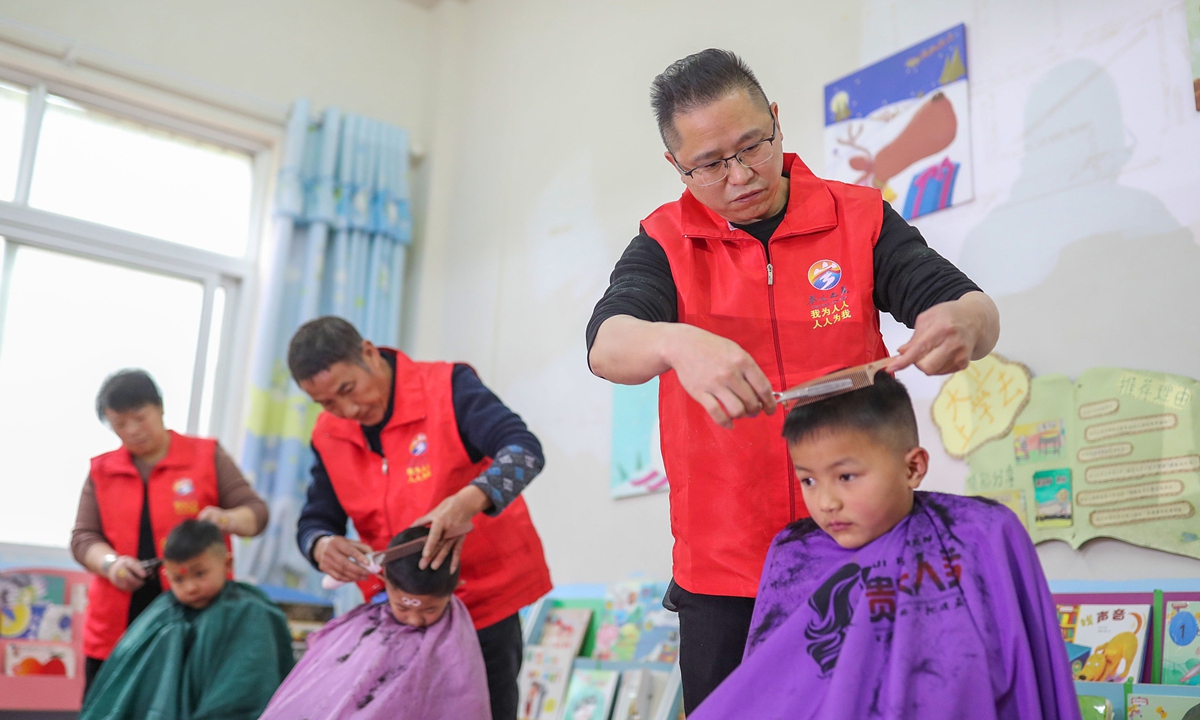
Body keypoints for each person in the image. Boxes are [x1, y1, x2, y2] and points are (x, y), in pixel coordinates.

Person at [585, 49, 1000, 710]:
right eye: (711, 164)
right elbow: (607, 344)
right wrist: (675, 339)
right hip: (723, 578)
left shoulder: (857, 216)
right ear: (676, 166)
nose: (742, 174)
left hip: (864, 549)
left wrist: (963, 323)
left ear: (776, 120)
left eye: (753, 144)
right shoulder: (666, 241)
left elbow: (957, 299)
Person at [687, 375, 1080, 720]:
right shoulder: (794, 554)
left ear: (913, 468)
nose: (826, 502)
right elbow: (772, 684)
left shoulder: (980, 533)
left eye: (846, 476)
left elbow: (1031, 672)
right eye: (809, 480)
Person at [291, 316, 552, 720]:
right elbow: (314, 520)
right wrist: (322, 545)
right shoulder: (329, 434)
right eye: (326, 403)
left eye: (347, 389)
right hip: (397, 610)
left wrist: (467, 501)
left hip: (482, 603)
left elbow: (525, 452)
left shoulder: (447, 389)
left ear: (368, 353)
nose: (347, 410)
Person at [71, 369, 269, 692]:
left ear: (160, 408)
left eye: (140, 417)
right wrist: (112, 564)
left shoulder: (205, 456)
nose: (132, 430)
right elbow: (83, 539)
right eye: (119, 424)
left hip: (198, 614)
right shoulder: (102, 471)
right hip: (119, 623)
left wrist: (227, 519)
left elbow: (255, 514)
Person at [260, 526, 491, 720]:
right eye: (402, 607)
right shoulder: (363, 629)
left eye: (430, 609)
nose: (414, 619)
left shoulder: (455, 642)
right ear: (384, 582)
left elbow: (464, 701)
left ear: (455, 588)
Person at [80, 520, 294, 720]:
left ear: (227, 563)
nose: (190, 587)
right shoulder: (161, 616)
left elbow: (247, 692)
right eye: (178, 579)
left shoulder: (250, 613)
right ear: (166, 575)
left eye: (200, 574)